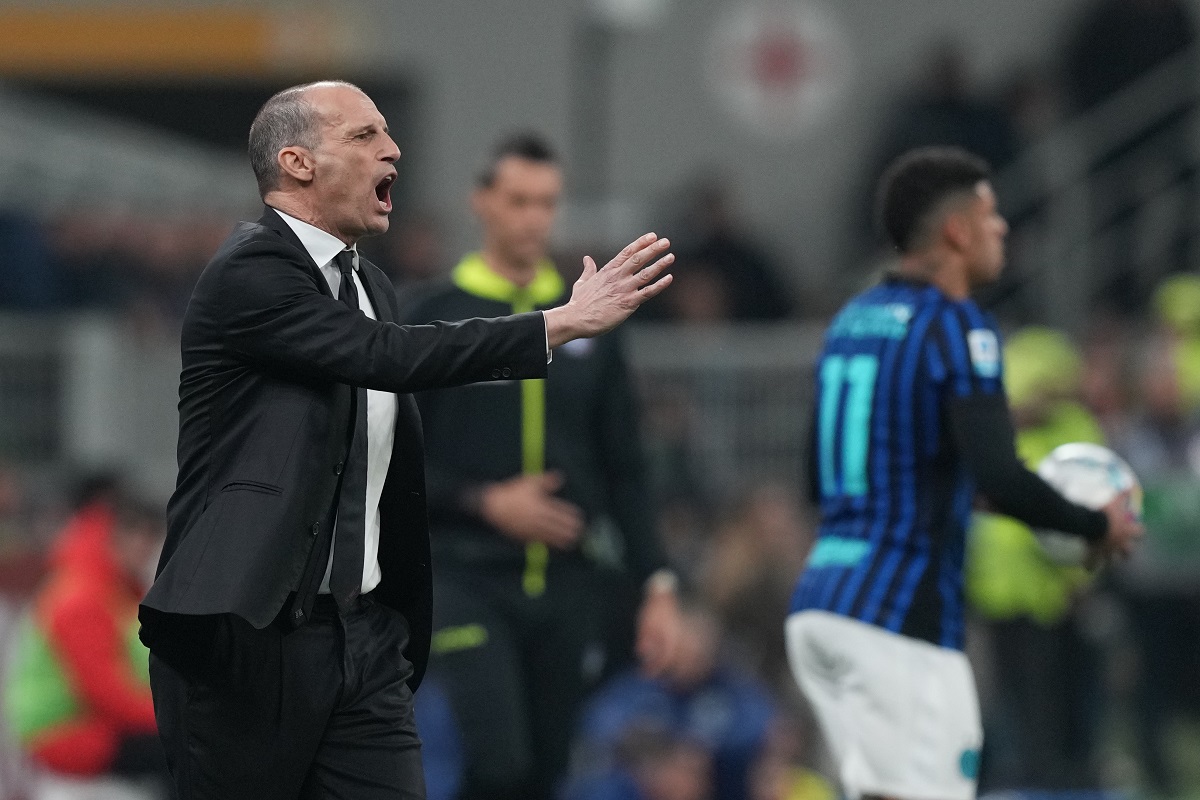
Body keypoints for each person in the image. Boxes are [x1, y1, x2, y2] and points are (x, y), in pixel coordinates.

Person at [136, 80, 674, 800]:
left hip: (362, 640)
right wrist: (555, 325)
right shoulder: (251, 271)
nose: (392, 149)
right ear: (297, 163)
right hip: (252, 634)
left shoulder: (373, 287)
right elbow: (390, 356)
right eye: (364, 136)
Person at [785, 146, 1143, 800]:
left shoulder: (850, 322)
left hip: (820, 606)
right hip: (896, 617)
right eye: (990, 214)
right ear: (956, 232)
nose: (1002, 228)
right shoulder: (959, 327)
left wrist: (959, 492)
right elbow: (1001, 474)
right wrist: (1096, 524)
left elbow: (819, 478)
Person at [400, 132, 682, 800]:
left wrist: (658, 583)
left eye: (546, 203)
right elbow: (395, 460)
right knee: (499, 761)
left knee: (548, 770)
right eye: (518, 200)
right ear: (482, 203)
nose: (532, 218)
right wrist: (485, 502)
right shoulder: (433, 316)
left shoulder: (597, 323)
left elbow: (625, 466)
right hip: (466, 574)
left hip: (567, 582)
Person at [5, 485, 168, 791]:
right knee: (186, 754)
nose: (149, 552)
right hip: (67, 732)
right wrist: (172, 717)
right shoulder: (84, 597)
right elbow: (105, 692)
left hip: (84, 724)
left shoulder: (111, 590)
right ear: (115, 536)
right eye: (144, 539)